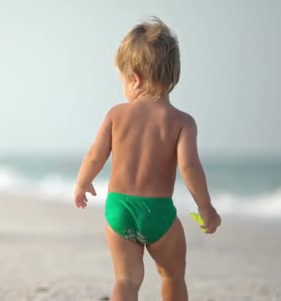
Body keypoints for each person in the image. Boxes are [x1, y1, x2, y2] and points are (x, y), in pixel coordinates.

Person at [74, 17, 221, 301]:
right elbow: (190, 167)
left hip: (119, 209)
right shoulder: (182, 122)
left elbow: (96, 154)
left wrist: (83, 183)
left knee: (126, 281)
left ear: (136, 79)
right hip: (157, 214)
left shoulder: (116, 114)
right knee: (172, 274)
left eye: (122, 81)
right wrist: (205, 207)